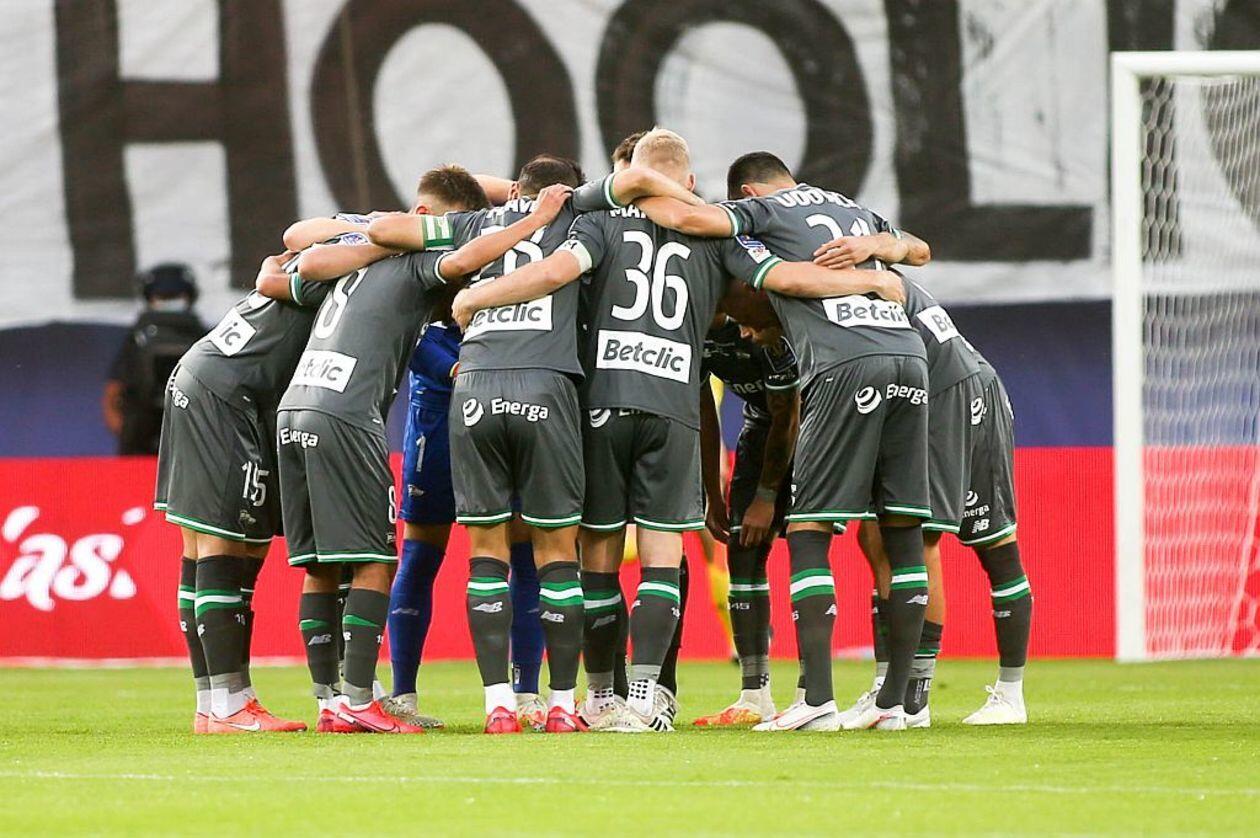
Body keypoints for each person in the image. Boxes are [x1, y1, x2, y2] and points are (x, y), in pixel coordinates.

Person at [452, 129, 904, 732]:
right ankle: (646, 698)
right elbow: (789, 280)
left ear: (632, 177)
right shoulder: (717, 238)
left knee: (600, 559)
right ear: (688, 182)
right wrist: (869, 280)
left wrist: (480, 299)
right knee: (662, 558)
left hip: (603, 402)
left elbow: (552, 272)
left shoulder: (599, 223)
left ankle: (601, 698)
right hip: (673, 407)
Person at [373, 152, 707, 733]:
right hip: (547, 387)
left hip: (473, 389)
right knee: (555, 553)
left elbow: (385, 229)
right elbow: (629, 182)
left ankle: (497, 706)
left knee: (485, 554)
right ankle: (558, 704)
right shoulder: (581, 216)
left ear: (515, 190)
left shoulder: (474, 223)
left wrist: (515, 211)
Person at [632, 150, 932, 731]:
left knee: (808, 530)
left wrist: (630, 189)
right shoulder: (848, 208)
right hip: (908, 357)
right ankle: (897, 705)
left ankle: (815, 701)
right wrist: (878, 254)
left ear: (746, 194)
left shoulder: (760, 215)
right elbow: (919, 250)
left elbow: (699, 222)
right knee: (902, 531)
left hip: (844, 365)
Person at [267, 166, 571, 734]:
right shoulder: (415, 258)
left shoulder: (353, 251)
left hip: (297, 405)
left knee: (320, 566)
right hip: (355, 412)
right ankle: (365, 699)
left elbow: (293, 259)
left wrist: (515, 194)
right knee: (379, 561)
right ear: (427, 220)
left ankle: (332, 702)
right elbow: (459, 258)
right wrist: (534, 218)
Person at [833, 270, 1030, 726]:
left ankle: (963, 695)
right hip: (918, 391)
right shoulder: (849, 266)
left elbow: (913, 250)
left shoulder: (842, 270)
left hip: (956, 391)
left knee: (953, 539)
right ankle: (889, 687)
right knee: (876, 534)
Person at [155, 252, 326, 734]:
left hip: (211, 380)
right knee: (222, 542)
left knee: (215, 546)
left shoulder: (317, 252)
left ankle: (214, 702)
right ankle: (231, 706)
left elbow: (286, 247)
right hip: (226, 393)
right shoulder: (351, 266)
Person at [692, 301, 800, 727]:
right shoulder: (693, 328)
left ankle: (813, 696)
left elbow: (789, 412)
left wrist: (767, 497)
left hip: (813, 422)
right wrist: (711, 495)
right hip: (760, 424)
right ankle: (755, 697)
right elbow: (704, 412)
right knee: (742, 551)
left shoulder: (759, 320)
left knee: (808, 542)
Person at [105, 264, 206, 455]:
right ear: (150, 298)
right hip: (140, 439)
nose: (170, 302)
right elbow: (112, 392)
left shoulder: (204, 339)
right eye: (163, 297)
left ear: (189, 297)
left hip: (190, 436)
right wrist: (127, 432)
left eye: (176, 296)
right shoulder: (137, 340)